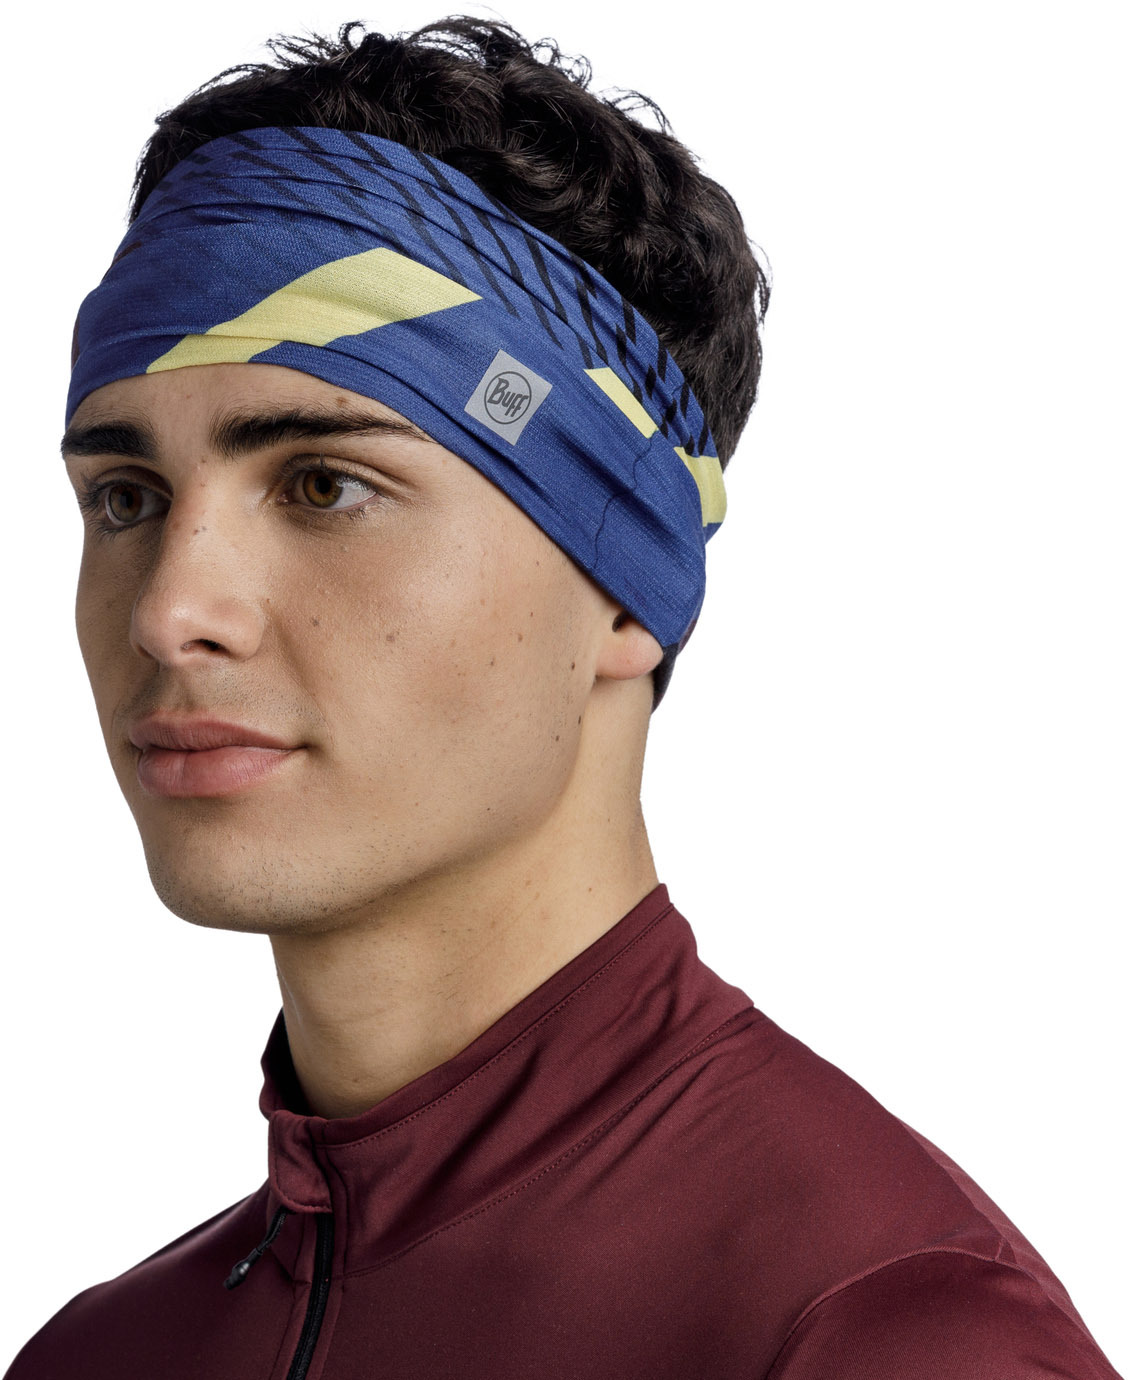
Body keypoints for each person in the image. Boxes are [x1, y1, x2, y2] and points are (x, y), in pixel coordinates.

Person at [5, 16, 1121, 1379]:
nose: (171, 610)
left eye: (324, 485)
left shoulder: (881, 1331)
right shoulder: (103, 1355)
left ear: (624, 585)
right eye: (126, 498)